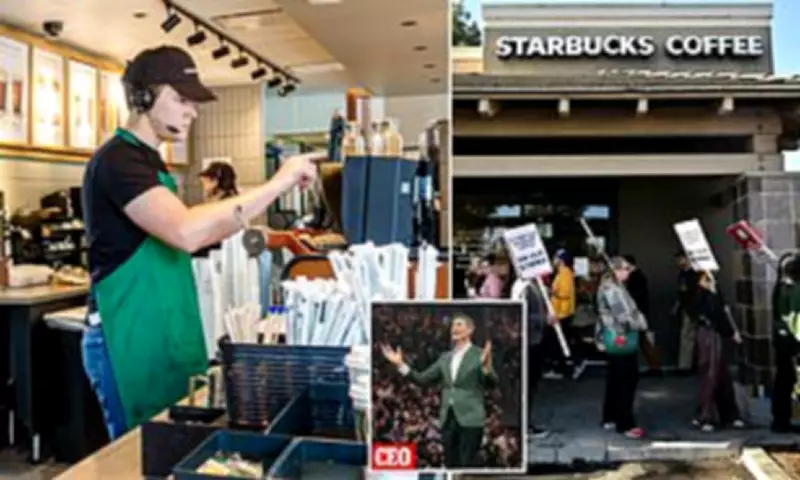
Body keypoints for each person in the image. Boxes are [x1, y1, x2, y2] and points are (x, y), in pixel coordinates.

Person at [81, 45, 321, 440]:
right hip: (129, 337)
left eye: (194, 102)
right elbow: (186, 231)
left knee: (170, 448)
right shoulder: (119, 161)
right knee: (139, 453)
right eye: (180, 99)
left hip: (160, 328)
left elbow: (205, 231)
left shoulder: (150, 162)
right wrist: (280, 182)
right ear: (142, 97)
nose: (192, 111)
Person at [381, 314, 497, 468]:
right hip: (448, 419)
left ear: (470, 330)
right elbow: (422, 379)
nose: (454, 328)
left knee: (467, 464)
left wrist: (485, 369)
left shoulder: (479, 355)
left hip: (470, 419)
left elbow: (492, 384)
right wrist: (401, 365)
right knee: (450, 464)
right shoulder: (445, 358)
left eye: (460, 324)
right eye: (453, 325)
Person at [595, 257, 648, 439]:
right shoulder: (612, 289)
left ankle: (610, 416)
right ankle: (624, 422)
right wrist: (640, 323)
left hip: (615, 335)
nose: (628, 272)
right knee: (626, 379)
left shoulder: (613, 287)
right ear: (616, 270)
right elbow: (623, 315)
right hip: (620, 335)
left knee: (616, 378)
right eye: (625, 268)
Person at [691, 272, 744, 432]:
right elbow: (716, 314)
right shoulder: (702, 296)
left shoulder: (711, 294)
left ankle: (726, 414)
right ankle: (706, 415)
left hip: (712, 335)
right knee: (711, 374)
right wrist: (730, 332)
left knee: (721, 375)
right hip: (710, 335)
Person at [511, 277, 553, 439]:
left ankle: (524, 423)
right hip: (529, 340)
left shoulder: (534, 285)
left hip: (534, 339)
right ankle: (523, 426)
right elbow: (521, 313)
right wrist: (544, 319)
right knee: (527, 384)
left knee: (530, 384)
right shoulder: (525, 287)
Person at [771, 253, 800, 433]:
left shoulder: (779, 287)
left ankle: (780, 420)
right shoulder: (796, 290)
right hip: (794, 342)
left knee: (783, 381)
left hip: (781, 340)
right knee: (792, 382)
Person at [545, 249, 581, 379]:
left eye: (555, 258)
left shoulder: (565, 273)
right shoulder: (563, 273)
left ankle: (562, 368)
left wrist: (551, 291)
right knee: (559, 340)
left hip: (561, 312)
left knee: (558, 341)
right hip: (560, 311)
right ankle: (563, 366)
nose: (553, 261)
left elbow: (564, 293)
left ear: (561, 260)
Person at [623, 254, 661, 375]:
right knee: (642, 340)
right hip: (638, 313)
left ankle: (654, 367)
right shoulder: (636, 276)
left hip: (637, 314)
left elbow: (636, 295)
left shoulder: (636, 277)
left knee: (641, 340)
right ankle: (654, 367)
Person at [194, 162, 239, 257]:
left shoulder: (220, 206)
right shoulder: (233, 201)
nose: (204, 188)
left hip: (217, 256)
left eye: (205, 183)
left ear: (215, 182)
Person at [673, 251, 700, 374]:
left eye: (680, 260)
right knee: (688, 336)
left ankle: (686, 366)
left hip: (693, 308)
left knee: (688, 337)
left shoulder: (693, 274)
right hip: (688, 308)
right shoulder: (684, 274)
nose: (678, 263)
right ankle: (686, 365)